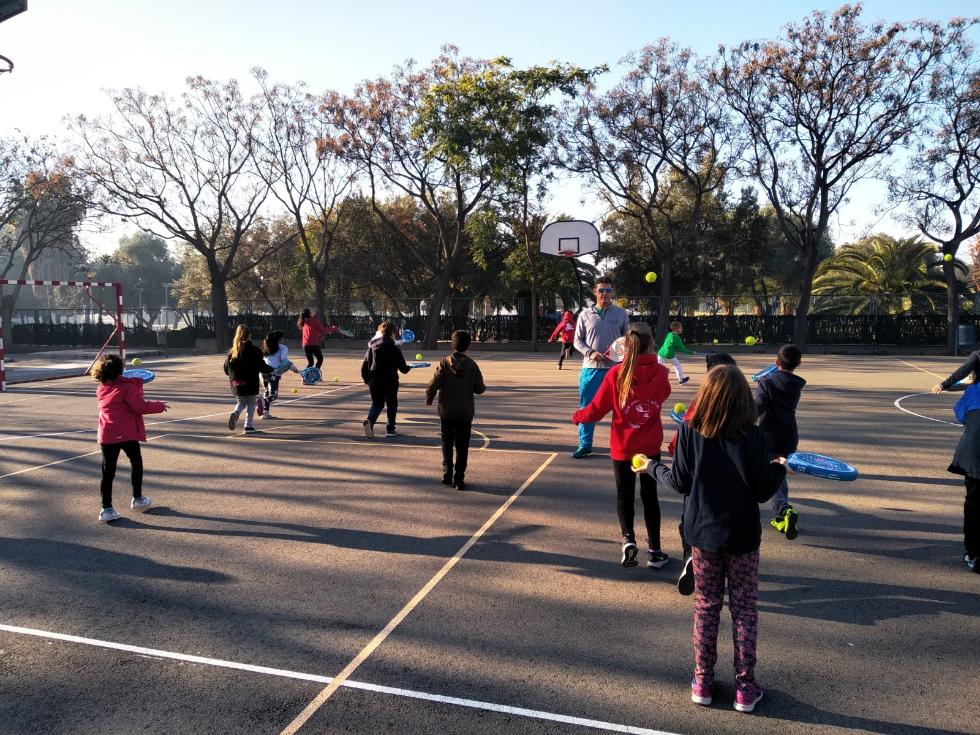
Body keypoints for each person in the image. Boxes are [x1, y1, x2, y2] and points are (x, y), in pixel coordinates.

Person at [637, 364, 788, 713]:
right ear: (742, 400)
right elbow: (764, 490)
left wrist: (649, 466)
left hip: (703, 534)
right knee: (744, 610)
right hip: (742, 535)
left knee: (706, 607)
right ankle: (745, 688)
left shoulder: (690, 430)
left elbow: (679, 482)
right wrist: (780, 466)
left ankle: (703, 680)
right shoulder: (753, 436)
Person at [573, 322, 672, 568]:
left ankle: (628, 540)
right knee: (650, 497)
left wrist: (578, 416)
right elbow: (664, 395)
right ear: (651, 344)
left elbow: (595, 411)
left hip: (623, 447)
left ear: (625, 347)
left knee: (624, 495)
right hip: (649, 447)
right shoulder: (661, 374)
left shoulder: (616, 375)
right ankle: (656, 551)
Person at [668, 352, 737, 595]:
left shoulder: (696, 409)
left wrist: (654, 465)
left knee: (690, 524)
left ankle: (691, 557)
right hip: (735, 505)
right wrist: (780, 468)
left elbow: (677, 450)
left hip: (698, 489)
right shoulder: (744, 411)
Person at [92, 354, 168, 522]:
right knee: (136, 463)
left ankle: (106, 508)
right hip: (126, 433)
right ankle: (138, 498)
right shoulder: (127, 388)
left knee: (108, 472)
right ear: (119, 371)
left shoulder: (101, 388)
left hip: (107, 434)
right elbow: (139, 406)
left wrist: (134, 385)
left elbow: (126, 401)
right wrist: (159, 405)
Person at [932, 350, 980, 573]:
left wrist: (949, 384)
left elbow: (961, 416)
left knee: (973, 504)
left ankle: (973, 553)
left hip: (974, 455)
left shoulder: (972, 392)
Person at [571, 276, 630, 458]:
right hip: (591, 369)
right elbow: (577, 341)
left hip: (616, 369)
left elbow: (628, 340)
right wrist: (591, 353)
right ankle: (585, 445)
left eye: (608, 290)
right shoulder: (584, 314)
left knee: (621, 409)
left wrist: (617, 353)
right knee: (587, 407)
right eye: (602, 290)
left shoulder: (621, 314)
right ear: (595, 292)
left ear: (613, 293)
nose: (605, 294)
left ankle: (622, 444)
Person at [755, 344, 806, 540]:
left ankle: (784, 511)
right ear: (799, 363)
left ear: (776, 362)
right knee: (778, 470)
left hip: (770, 436)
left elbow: (758, 406)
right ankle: (782, 511)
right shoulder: (795, 384)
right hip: (789, 434)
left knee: (773, 473)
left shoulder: (768, 383)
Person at [425, 330, 486, 490]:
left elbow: (434, 384)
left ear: (452, 345)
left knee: (446, 440)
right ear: (469, 347)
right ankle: (459, 478)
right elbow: (480, 388)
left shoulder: (444, 363)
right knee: (462, 445)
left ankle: (447, 473)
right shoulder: (472, 365)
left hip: (447, 410)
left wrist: (429, 397)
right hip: (465, 411)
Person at [361, 321, 410, 438]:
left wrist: (366, 379)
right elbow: (403, 369)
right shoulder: (394, 349)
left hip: (374, 379)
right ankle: (390, 429)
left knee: (377, 404)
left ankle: (370, 421)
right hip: (390, 379)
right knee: (392, 403)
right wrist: (409, 367)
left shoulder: (372, 347)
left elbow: (364, 365)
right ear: (393, 333)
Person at [224, 325, 273, 434]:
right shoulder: (255, 351)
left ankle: (236, 413)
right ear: (250, 335)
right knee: (251, 403)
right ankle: (248, 426)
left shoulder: (232, 352)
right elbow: (262, 366)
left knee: (241, 402)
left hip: (236, 382)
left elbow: (226, 369)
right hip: (250, 382)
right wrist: (272, 369)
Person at [261, 330, 300, 419]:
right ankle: (265, 402)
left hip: (264, 372)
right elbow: (284, 359)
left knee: (266, 391)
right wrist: (293, 368)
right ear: (280, 338)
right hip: (274, 373)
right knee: (274, 395)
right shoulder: (283, 347)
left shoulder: (267, 346)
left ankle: (265, 413)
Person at [658, 320, 695, 384]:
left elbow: (666, 343)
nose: (682, 329)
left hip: (661, 354)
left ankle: (656, 380)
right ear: (676, 329)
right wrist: (692, 352)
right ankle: (681, 380)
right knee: (677, 365)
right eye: (681, 328)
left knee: (657, 368)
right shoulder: (677, 338)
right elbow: (683, 349)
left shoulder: (669, 334)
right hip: (670, 355)